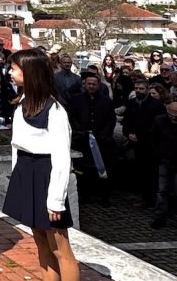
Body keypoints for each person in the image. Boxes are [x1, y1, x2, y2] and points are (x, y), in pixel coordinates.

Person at [4, 48, 84, 281]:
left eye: (15, 69)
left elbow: (62, 157)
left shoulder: (55, 111)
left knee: (60, 247)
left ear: (31, 73)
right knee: (41, 243)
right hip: (27, 173)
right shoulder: (23, 104)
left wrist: (56, 199)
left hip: (48, 175)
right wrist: (16, 179)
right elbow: (17, 145)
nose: (11, 73)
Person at [66, 72, 117, 200]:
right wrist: (80, 131)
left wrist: (103, 134)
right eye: (89, 84)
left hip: (101, 140)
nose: (91, 86)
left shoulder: (106, 101)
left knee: (102, 168)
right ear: (85, 84)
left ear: (98, 85)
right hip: (82, 139)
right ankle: (84, 194)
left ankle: (103, 195)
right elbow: (71, 117)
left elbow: (111, 120)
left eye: (94, 84)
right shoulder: (76, 99)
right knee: (82, 169)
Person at [123, 76, 166, 206]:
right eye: (136, 88)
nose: (138, 91)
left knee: (150, 172)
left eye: (141, 89)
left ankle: (149, 198)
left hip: (149, 143)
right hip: (134, 141)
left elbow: (156, 125)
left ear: (147, 89)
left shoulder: (156, 104)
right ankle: (141, 195)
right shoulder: (131, 103)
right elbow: (126, 121)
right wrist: (128, 133)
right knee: (138, 169)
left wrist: (140, 135)